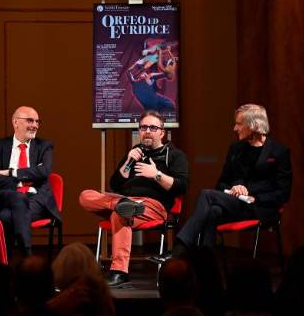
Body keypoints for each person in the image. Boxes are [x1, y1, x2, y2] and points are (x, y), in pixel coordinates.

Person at [156, 104, 291, 260]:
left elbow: (283, 193)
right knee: (213, 211)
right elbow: (221, 184)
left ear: (253, 125)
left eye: (239, 124)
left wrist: (255, 198)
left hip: (261, 207)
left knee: (207, 196)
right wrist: (234, 187)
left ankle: (181, 248)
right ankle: (205, 262)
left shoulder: (279, 152)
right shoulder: (236, 149)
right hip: (237, 204)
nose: (235, 128)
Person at [79, 110, 188, 288]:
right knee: (85, 195)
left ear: (162, 132)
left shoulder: (175, 155)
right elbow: (114, 184)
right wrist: (128, 162)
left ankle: (119, 273)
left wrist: (156, 175)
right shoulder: (134, 152)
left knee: (120, 214)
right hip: (124, 199)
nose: (147, 131)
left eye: (152, 128)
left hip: (153, 205)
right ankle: (122, 205)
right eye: (143, 127)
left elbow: (182, 186)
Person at [0, 106, 60, 256]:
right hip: (7, 197)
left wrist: (12, 172)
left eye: (37, 121)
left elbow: (44, 171)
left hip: (36, 200)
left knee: (6, 216)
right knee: (17, 198)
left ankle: (7, 261)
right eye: (30, 121)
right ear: (15, 122)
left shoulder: (44, 146)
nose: (35, 125)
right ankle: (27, 257)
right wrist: (19, 181)